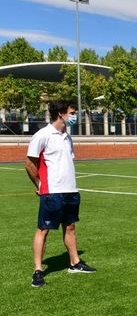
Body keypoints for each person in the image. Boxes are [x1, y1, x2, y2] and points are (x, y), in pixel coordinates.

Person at [25, 100, 96, 287]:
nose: (74, 116)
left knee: (70, 226)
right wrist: (39, 184)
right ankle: (38, 271)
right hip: (52, 191)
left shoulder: (67, 136)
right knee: (43, 229)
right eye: (72, 113)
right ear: (61, 114)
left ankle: (75, 263)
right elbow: (29, 163)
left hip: (70, 190)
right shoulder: (42, 135)